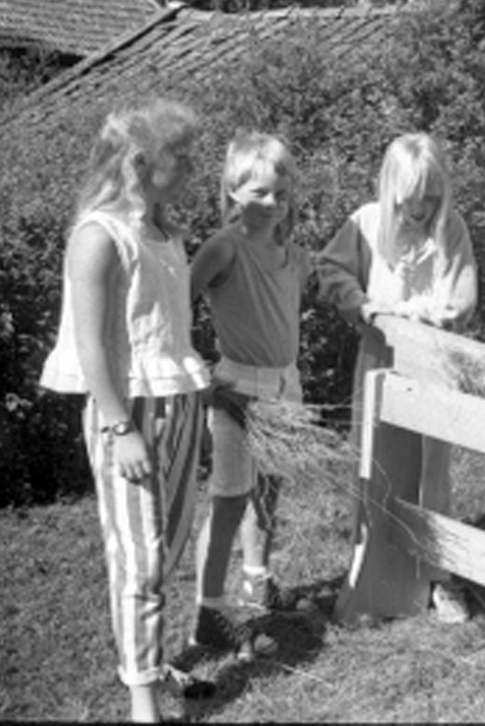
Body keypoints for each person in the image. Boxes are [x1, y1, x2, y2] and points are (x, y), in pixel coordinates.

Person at [39, 98, 213, 722]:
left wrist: (195, 397)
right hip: (127, 413)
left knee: (168, 545)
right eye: (181, 156)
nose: (193, 167)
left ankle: (152, 659)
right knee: (138, 557)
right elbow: (91, 346)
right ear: (140, 161)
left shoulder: (166, 234)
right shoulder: (99, 236)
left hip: (178, 403)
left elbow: (166, 330)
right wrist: (120, 427)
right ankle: (143, 698)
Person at [316, 132, 478, 623]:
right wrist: (364, 305)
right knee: (375, 463)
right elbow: (331, 270)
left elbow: (461, 297)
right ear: (392, 191)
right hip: (379, 359)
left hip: (431, 364)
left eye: (431, 195)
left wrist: (430, 315)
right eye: (412, 198)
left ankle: (437, 575)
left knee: (431, 469)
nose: (422, 207)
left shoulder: (450, 229)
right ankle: (374, 570)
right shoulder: (366, 223)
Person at [189, 131, 314, 656]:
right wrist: (197, 372)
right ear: (233, 191)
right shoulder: (223, 247)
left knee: (268, 491)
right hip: (237, 392)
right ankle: (209, 611)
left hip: (284, 385)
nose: (271, 203)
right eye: (258, 192)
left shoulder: (291, 253)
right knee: (229, 499)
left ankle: (257, 582)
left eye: (281, 194)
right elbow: (175, 307)